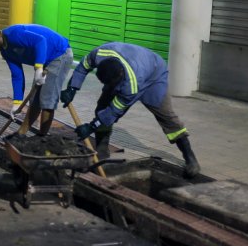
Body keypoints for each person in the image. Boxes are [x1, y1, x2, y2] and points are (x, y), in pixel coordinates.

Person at [60, 42, 201, 178]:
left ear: (120, 75)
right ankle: (102, 149)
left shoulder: (131, 86)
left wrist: (91, 127)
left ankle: (190, 157)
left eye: (113, 84)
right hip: (137, 65)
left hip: (154, 77)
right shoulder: (99, 54)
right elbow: (83, 66)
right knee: (102, 106)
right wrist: (72, 88)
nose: (111, 87)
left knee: (167, 117)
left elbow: (114, 111)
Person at [0, 23, 73, 136]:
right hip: (47, 58)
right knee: (34, 100)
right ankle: (21, 133)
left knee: (47, 100)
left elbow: (40, 41)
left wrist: (38, 67)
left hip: (59, 53)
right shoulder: (5, 51)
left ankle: (42, 137)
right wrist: (17, 103)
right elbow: (17, 76)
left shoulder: (13, 34)